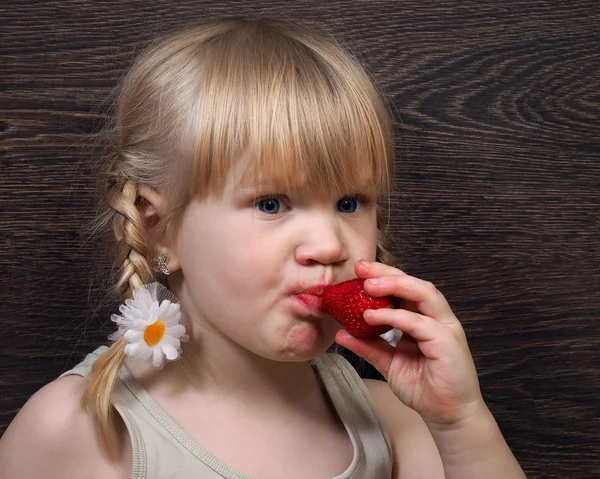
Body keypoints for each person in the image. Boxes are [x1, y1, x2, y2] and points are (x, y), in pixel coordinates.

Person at [0, 18, 527, 479]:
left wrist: (460, 421)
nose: (327, 245)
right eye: (271, 204)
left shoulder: (396, 423)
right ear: (159, 228)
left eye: (350, 202)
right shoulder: (80, 430)